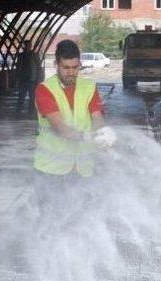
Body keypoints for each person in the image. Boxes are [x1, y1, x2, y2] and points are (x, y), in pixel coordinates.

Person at [33, 39, 117, 181]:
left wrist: (103, 131)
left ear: (80, 65)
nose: (71, 72)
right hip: (51, 171)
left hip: (82, 170)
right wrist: (88, 136)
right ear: (56, 65)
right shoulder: (45, 89)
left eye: (75, 67)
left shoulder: (89, 87)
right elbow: (60, 128)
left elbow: (97, 118)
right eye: (66, 67)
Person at [16, 40, 42, 117]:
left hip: (32, 79)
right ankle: (18, 113)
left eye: (29, 45)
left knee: (32, 97)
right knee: (21, 97)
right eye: (26, 45)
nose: (28, 47)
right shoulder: (21, 56)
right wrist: (17, 79)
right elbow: (18, 68)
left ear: (30, 46)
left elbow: (38, 68)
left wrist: (38, 79)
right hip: (23, 79)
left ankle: (30, 113)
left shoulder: (35, 55)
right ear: (24, 46)